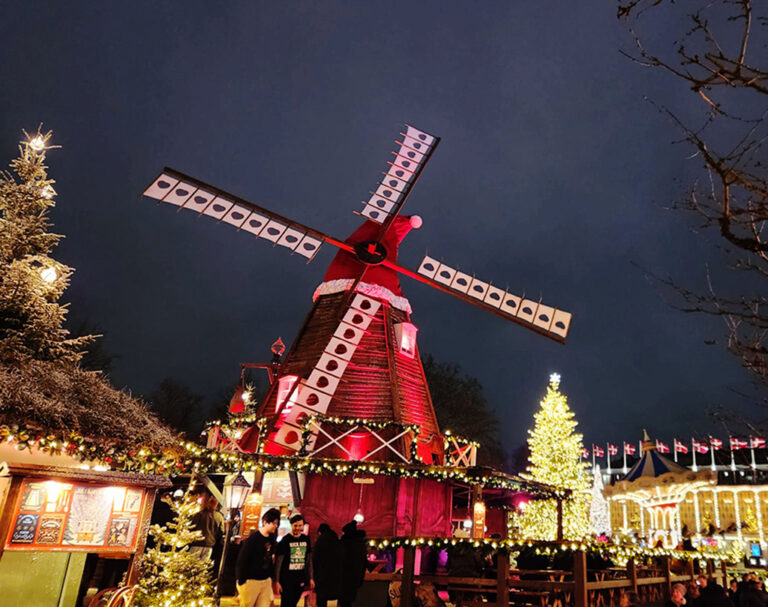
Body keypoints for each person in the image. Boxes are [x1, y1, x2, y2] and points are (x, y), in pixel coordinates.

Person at [235, 507, 281, 607]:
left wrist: (271, 577)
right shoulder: (253, 539)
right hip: (251, 580)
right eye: (274, 523)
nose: (276, 526)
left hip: (265, 580)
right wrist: (241, 581)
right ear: (265, 522)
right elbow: (242, 560)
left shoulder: (272, 538)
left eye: (277, 523)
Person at [275, 514, 314, 607]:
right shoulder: (285, 540)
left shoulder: (306, 539)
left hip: (300, 579)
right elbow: (279, 562)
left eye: (300, 525)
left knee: (294, 602)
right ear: (291, 525)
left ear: (303, 526)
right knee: (286, 603)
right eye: (295, 525)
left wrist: (311, 578)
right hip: (286, 579)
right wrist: (277, 580)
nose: (297, 528)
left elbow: (309, 560)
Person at [189, 488, 224, 561]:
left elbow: (192, 526)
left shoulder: (199, 514)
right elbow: (221, 531)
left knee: (191, 563)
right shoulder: (219, 516)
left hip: (197, 543)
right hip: (209, 545)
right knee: (203, 565)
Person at [312, 523, 342, 607]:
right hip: (336, 575)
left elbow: (315, 559)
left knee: (322, 600)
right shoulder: (337, 541)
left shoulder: (320, 542)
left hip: (322, 575)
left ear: (320, 532)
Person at [339, 520, 367, 607]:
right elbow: (364, 562)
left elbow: (341, 561)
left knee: (344, 601)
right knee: (349, 600)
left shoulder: (345, 544)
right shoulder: (360, 544)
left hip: (345, 578)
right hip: (356, 577)